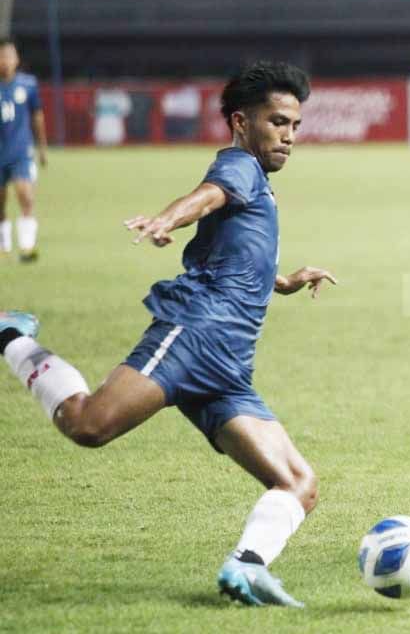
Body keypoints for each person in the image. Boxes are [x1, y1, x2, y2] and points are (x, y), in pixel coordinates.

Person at [0, 61, 336, 607]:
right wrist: (166, 219)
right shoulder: (239, 166)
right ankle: (13, 337)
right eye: (278, 122)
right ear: (241, 122)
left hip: (228, 368)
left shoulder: (259, 184)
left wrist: (284, 281)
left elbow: (232, 253)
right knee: (89, 425)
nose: (290, 136)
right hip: (195, 336)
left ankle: (246, 568)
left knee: (301, 483)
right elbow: (206, 196)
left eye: (295, 125)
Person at [0, 38, 49, 262]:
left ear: (17, 58)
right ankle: (3, 245)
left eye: (9, 56)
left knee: (26, 196)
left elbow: (37, 116)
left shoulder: (28, 84)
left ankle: (27, 248)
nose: (5, 61)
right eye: (2, 56)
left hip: (20, 152)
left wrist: (42, 147)